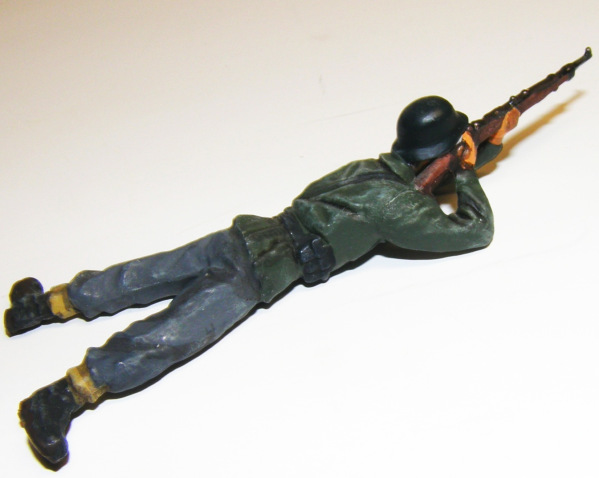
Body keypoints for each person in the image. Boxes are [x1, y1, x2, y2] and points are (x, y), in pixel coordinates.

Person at [5, 96, 516, 465]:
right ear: (442, 154)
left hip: (248, 234)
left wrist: (480, 146)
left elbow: (384, 190)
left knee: (143, 275)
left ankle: (44, 304)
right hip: (263, 269)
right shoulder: (396, 204)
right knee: (167, 338)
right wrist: (467, 172)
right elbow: (476, 231)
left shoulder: (370, 169)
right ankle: (61, 399)